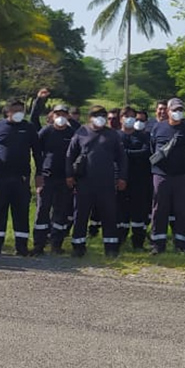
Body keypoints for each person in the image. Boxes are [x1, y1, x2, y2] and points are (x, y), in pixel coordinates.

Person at [66, 105, 127, 257]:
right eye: (96, 115)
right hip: (84, 182)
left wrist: (122, 177)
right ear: (89, 117)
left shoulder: (112, 135)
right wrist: (69, 176)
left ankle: (111, 247)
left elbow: (122, 158)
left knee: (109, 215)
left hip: (106, 183)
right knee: (81, 215)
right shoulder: (81, 132)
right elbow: (69, 156)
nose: (99, 118)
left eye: (102, 115)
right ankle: (78, 246)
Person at [0, 99, 41, 256]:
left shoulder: (29, 128)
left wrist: (39, 174)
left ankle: (21, 246)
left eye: (21, 110)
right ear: (7, 111)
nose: (18, 113)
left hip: (21, 178)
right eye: (15, 110)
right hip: (1, 177)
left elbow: (37, 152)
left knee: (21, 212)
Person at [148, 98, 185, 254]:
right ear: (168, 111)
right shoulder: (158, 127)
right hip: (161, 175)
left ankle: (182, 244)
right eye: (175, 110)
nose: (178, 113)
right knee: (159, 210)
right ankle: (158, 244)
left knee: (182, 209)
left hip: (182, 176)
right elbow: (153, 149)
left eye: (180, 110)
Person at [32, 104, 75, 256]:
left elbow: (77, 154)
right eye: (58, 114)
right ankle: (39, 244)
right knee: (42, 210)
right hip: (46, 177)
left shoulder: (72, 133)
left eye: (64, 114)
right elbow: (37, 152)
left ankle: (56, 244)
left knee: (60, 212)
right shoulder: (46, 131)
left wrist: (72, 175)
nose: (60, 117)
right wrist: (38, 174)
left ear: (68, 116)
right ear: (52, 116)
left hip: (65, 179)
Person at [118, 107, 153, 250]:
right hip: (120, 180)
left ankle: (138, 243)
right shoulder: (115, 136)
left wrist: (124, 153)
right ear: (121, 118)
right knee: (120, 213)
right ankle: (119, 241)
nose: (130, 119)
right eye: (126, 116)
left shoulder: (143, 136)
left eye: (133, 116)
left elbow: (145, 153)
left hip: (140, 181)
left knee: (139, 214)